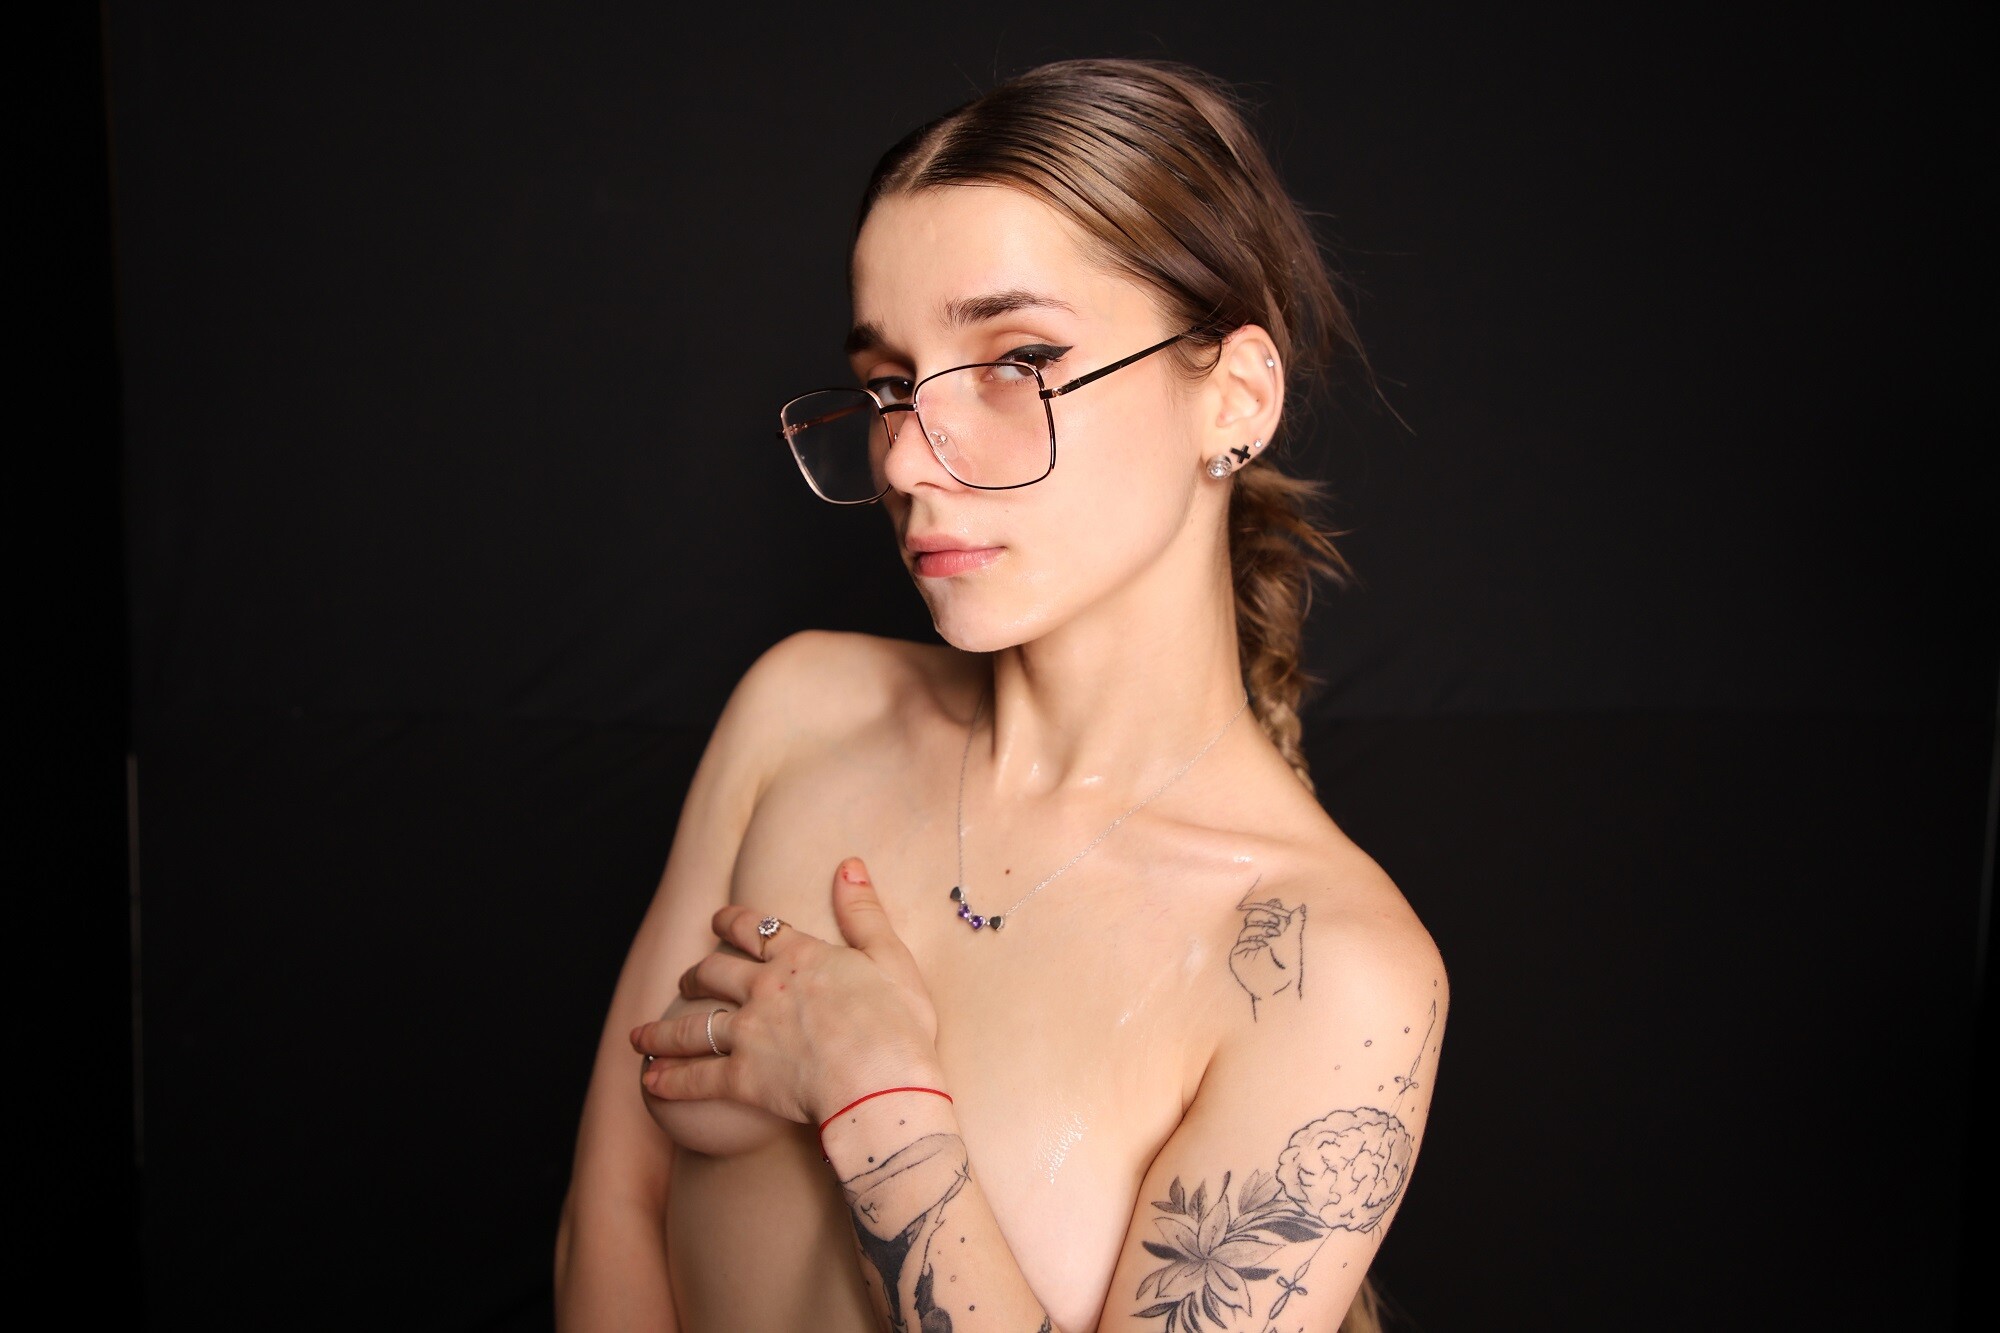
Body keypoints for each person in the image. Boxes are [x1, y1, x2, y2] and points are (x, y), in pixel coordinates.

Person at [555, 58, 1445, 1333]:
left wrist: (876, 1100)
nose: (910, 458)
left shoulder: (1335, 975)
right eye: (887, 383)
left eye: (1017, 359)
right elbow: (612, 1212)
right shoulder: (800, 713)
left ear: (1235, 397)